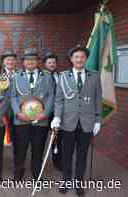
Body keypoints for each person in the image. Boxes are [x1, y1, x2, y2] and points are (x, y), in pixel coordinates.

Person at [51, 45, 102, 197]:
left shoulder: (95, 75)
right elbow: (59, 100)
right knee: (66, 155)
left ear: (86, 59)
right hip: (68, 122)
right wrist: (57, 116)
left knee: (82, 155)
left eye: (82, 57)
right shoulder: (63, 76)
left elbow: (98, 99)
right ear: (71, 59)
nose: (79, 59)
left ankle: (79, 183)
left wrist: (98, 120)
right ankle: (66, 181)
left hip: (87, 122)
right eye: (76, 57)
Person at [10, 48, 55, 180]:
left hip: (40, 120)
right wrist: (18, 113)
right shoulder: (17, 76)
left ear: (37, 62)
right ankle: (18, 174)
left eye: (33, 59)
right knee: (20, 148)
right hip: (21, 119)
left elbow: (51, 96)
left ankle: (37, 175)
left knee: (38, 149)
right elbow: (12, 96)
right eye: (27, 60)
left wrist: (45, 113)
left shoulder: (47, 76)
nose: (30, 62)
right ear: (23, 62)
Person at [43, 52, 62, 171]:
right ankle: (39, 162)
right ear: (45, 64)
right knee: (41, 138)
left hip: (57, 113)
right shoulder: (42, 76)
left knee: (57, 139)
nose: (52, 64)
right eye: (49, 62)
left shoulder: (61, 75)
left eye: (54, 62)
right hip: (44, 112)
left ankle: (57, 161)